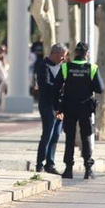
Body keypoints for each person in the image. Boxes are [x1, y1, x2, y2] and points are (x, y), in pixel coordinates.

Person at [53, 40, 104, 179]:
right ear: (86, 54)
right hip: (86, 107)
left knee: (70, 138)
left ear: (75, 53)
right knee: (86, 136)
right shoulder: (92, 68)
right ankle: (88, 170)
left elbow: (56, 87)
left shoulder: (66, 68)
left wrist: (57, 107)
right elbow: (100, 88)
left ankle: (68, 169)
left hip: (69, 107)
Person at [34, 43, 66, 172]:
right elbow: (45, 85)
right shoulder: (44, 66)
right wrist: (60, 87)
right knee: (48, 133)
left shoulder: (62, 67)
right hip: (47, 104)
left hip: (59, 105)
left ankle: (50, 163)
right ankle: (40, 163)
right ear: (55, 54)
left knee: (56, 134)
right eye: (62, 56)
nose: (63, 59)